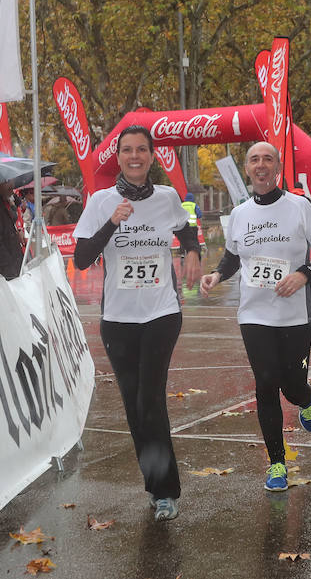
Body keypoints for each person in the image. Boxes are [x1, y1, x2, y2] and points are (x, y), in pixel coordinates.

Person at [73, 125, 201, 521]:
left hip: (162, 312)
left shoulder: (166, 197)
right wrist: (111, 222)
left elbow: (186, 228)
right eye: (127, 150)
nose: (134, 156)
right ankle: (155, 483)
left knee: (150, 399)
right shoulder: (99, 201)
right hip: (118, 320)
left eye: (141, 150)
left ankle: (166, 492)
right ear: (119, 157)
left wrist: (194, 251)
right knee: (134, 406)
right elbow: (80, 259)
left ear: (151, 156)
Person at [200, 142, 311, 492]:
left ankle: (304, 399)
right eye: (254, 160)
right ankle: (277, 464)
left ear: (277, 167)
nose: (261, 165)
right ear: (247, 169)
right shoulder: (240, 213)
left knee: (291, 384)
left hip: (295, 316)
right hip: (254, 315)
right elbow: (232, 258)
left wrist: (303, 274)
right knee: (265, 383)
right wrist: (216, 275)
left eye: (267, 159)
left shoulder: (299, 207)